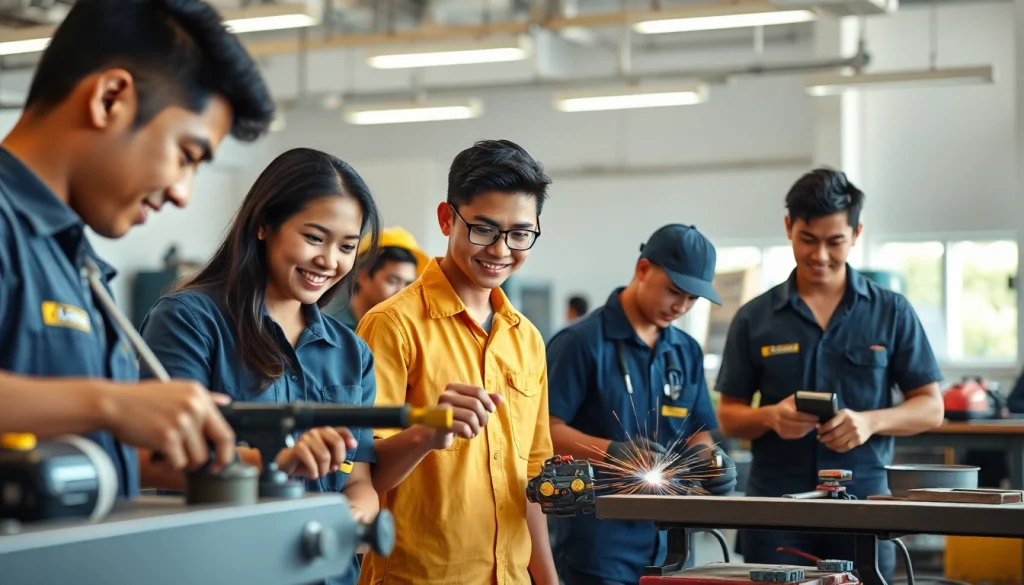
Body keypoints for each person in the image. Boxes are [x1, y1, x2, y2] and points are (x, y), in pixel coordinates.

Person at [0, 0, 275, 495]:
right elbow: (98, 412)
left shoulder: (75, 264)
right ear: (110, 99)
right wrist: (109, 403)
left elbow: (90, 448)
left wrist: (261, 464)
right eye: (186, 156)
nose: (181, 192)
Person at [138, 148, 382, 585]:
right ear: (264, 225)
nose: (330, 261)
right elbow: (153, 458)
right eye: (314, 237)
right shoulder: (189, 320)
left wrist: (350, 519)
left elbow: (358, 481)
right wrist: (272, 461)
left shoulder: (351, 352)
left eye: (347, 247)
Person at [715, 168, 945, 581]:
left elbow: (931, 408)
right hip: (776, 509)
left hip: (863, 504)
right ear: (788, 227)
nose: (820, 255)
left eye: (834, 241)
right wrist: (769, 416)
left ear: (856, 232)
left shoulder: (890, 312)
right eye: (808, 239)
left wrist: (870, 421)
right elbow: (728, 415)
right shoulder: (754, 318)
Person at [355, 139, 559, 585]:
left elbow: (531, 482)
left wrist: (547, 579)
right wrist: (428, 432)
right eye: (483, 229)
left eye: (520, 234)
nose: (501, 250)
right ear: (448, 219)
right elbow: (363, 477)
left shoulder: (527, 339)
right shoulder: (392, 326)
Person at [546, 224, 738, 585]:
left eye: (692, 299)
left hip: (672, 543)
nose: (681, 306)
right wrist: (613, 452)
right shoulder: (580, 343)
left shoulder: (686, 351)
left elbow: (698, 434)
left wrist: (712, 464)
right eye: (674, 291)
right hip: (599, 542)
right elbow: (543, 432)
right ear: (643, 269)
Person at [325, 226, 429, 329]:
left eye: (408, 284)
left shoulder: (410, 330)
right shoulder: (330, 329)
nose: (402, 292)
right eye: (392, 281)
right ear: (363, 277)